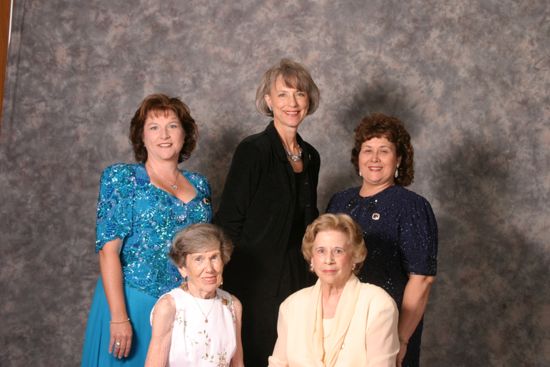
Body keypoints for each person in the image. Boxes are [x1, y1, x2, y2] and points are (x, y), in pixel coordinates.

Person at [81, 94, 213, 366]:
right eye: (154, 127)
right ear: (141, 136)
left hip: (183, 308)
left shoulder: (200, 185)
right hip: (131, 302)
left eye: (173, 126)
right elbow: (108, 253)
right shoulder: (122, 179)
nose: (164, 135)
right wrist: (119, 317)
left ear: (185, 133)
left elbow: (204, 252)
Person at [214, 58, 321, 366]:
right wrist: (223, 276)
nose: (292, 102)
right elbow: (229, 220)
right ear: (268, 100)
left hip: (297, 276)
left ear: (308, 101)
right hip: (253, 278)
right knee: (260, 353)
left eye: (299, 94)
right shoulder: (254, 150)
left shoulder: (311, 156)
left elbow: (308, 220)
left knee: (293, 355)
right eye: (283, 94)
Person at [326, 113, 437, 367]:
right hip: (337, 323)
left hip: (387, 326)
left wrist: (400, 338)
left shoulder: (411, 207)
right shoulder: (339, 201)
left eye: (384, 151)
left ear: (398, 159)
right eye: (368, 150)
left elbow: (422, 278)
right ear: (358, 157)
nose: (374, 159)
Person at [269, 213, 399, 367]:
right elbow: (278, 364)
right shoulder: (291, 306)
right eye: (320, 251)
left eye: (338, 251)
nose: (328, 260)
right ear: (312, 258)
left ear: (354, 257)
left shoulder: (378, 304)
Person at [145, 223, 244, 367]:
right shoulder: (169, 306)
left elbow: (238, 363)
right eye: (199, 259)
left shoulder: (232, 305)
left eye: (214, 257)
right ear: (182, 268)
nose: (209, 268)